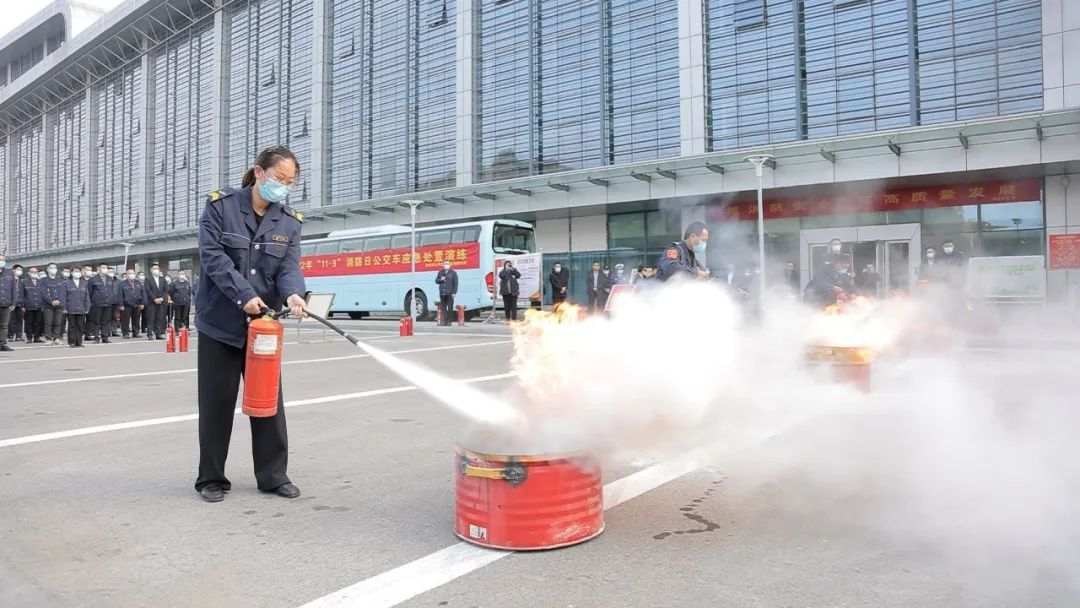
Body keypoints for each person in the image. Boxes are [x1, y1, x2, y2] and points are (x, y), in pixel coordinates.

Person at [194, 145, 308, 503]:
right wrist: (243, 295)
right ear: (259, 172)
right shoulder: (220, 207)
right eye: (279, 178)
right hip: (220, 322)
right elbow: (214, 259)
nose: (283, 187)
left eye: (290, 182)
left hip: (263, 326)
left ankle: (273, 476)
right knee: (216, 403)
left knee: (268, 399)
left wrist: (294, 295)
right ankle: (211, 478)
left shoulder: (289, 221)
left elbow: (289, 266)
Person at [88, 262, 116, 343]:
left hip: (108, 303)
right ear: (98, 268)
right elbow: (90, 292)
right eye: (103, 267)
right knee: (96, 321)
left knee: (106, 321)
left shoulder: (110, 279)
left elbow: (111, 290)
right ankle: (96, 337)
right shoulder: (93, 279)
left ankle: (105, 337)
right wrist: (92, 302)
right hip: (97, 304)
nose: (105, 269)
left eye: (106, 268)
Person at [64, 266, 91, 348]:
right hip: (71, 308)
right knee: (72, 326)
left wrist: (87, 307)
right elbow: (63, 296)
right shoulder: (66, 283)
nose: (77, 273)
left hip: (81, 308)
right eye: (75, 271)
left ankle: (79, 342)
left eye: (78, 271)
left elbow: (87, 296)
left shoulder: (84, 283)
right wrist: (64, 308)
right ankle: (72, 342)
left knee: (80, 325)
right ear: (71, 273)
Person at [42, 263, 66, 346]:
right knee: (48, 322)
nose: (53, 269)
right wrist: (51, 301)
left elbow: (63, 292)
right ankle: (48, 338)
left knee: (58, 322)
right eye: (51, 268)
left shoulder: (60, 280)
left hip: (59, 305)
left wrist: (59, 301)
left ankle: (56, 338)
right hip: (48, 305)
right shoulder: (43, 281)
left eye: (55, 268)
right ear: (47, 269)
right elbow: (43, 293)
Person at [144, 263, 168, 340]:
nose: (156, 270)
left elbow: (166, 290)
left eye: (157, 268)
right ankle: (150, 334)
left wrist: (162, 298)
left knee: (159, 318)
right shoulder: (148, 279)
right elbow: (148, 290)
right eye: (154, 269)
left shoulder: (162, 279)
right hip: (151, 302)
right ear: (151, 270)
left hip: (161, 302)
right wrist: (154, 299)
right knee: (151, 318)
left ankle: (158, 334)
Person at [119, 269, 145, 338]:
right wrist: (121, 305)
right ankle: (125, 333)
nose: (132, 275)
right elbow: (120, 295)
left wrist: (142, 303)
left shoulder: (138, 282)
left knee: (136, 319)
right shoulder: (122, 284)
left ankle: (135, 333)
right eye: (130, 273)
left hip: (136, 303)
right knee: (125, 320)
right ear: (127, 275)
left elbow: (142, 293)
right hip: (126, 304)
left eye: (133, 273)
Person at [21, 266, 45, 343]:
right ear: (29, 273)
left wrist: (43, 304)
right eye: (33, 272)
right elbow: (21, 294)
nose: (34, 273)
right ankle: (29, 337)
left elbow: (43, 294)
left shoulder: (40, 282)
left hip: (38, 305)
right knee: (29, 322)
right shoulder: (24, 282)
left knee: (37, 322)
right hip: (28, 306)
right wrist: (23, 305)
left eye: (36, 272)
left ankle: (36, 337)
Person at [0, 254, 17, 352]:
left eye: (3, 260)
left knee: (4, 325)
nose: (1, 262)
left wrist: (13, 302)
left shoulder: (9, 273)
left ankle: (3, 344)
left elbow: (14, 289)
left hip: (6, 303)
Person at [435, 261, 458, 326]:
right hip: (442, 293)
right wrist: (441, 279)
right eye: (445, 264)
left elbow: (455, 284)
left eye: (447, 264)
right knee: (443, 308)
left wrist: (454, 292)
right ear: (443, 265)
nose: (446, 265)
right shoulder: (440, 272)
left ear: (450, 265)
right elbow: (436, 281)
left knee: (450, 308)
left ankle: (449, 321)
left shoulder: (453, 273)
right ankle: (444, 321)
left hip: (450, 293)